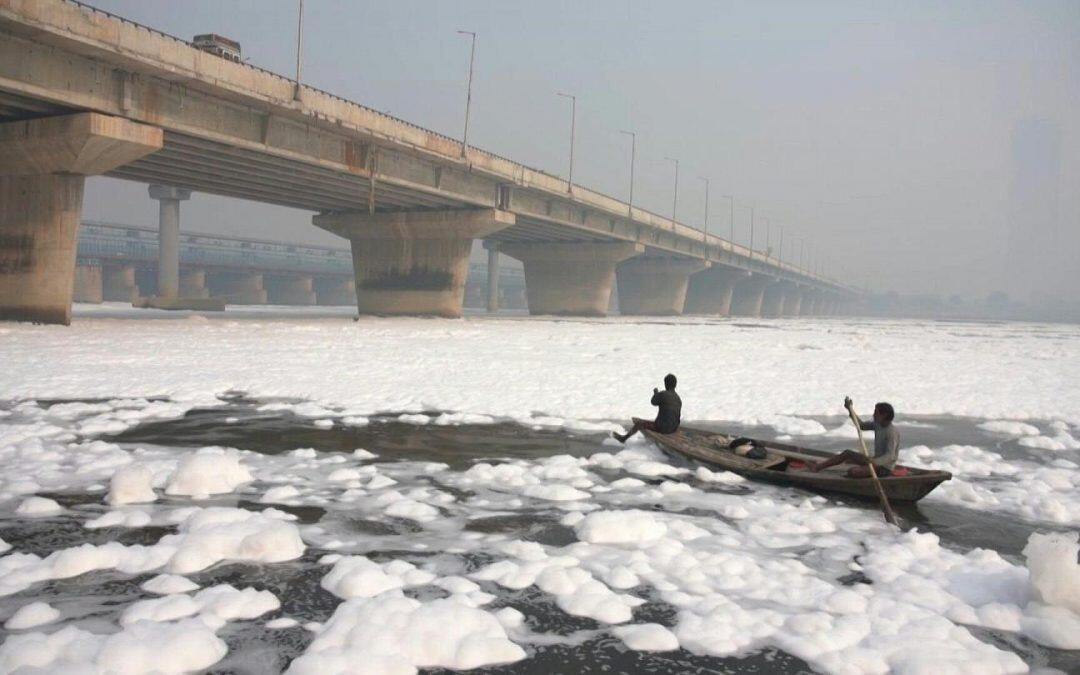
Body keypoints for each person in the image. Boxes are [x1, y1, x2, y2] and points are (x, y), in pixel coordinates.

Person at [810, 397, 899, 477]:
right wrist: (850, 409)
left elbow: (890, 456)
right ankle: (817, 467)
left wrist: (873, 462)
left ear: (884, 415)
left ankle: (862, 471)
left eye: (876, 412)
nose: (873, 415)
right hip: (873, 462)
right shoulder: (878, 425)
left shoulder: (891, 432)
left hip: (884, 468)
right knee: (847, 453)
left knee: (852, 472)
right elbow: (861, 426)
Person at [612, 373, 682, 443]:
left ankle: (623, 439)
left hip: (662, 428)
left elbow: (653, 402)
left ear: (665, 384)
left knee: (639, 424)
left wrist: (656, 393)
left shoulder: (663, 394)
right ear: (675, 385)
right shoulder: (678, 398)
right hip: (673, 428)